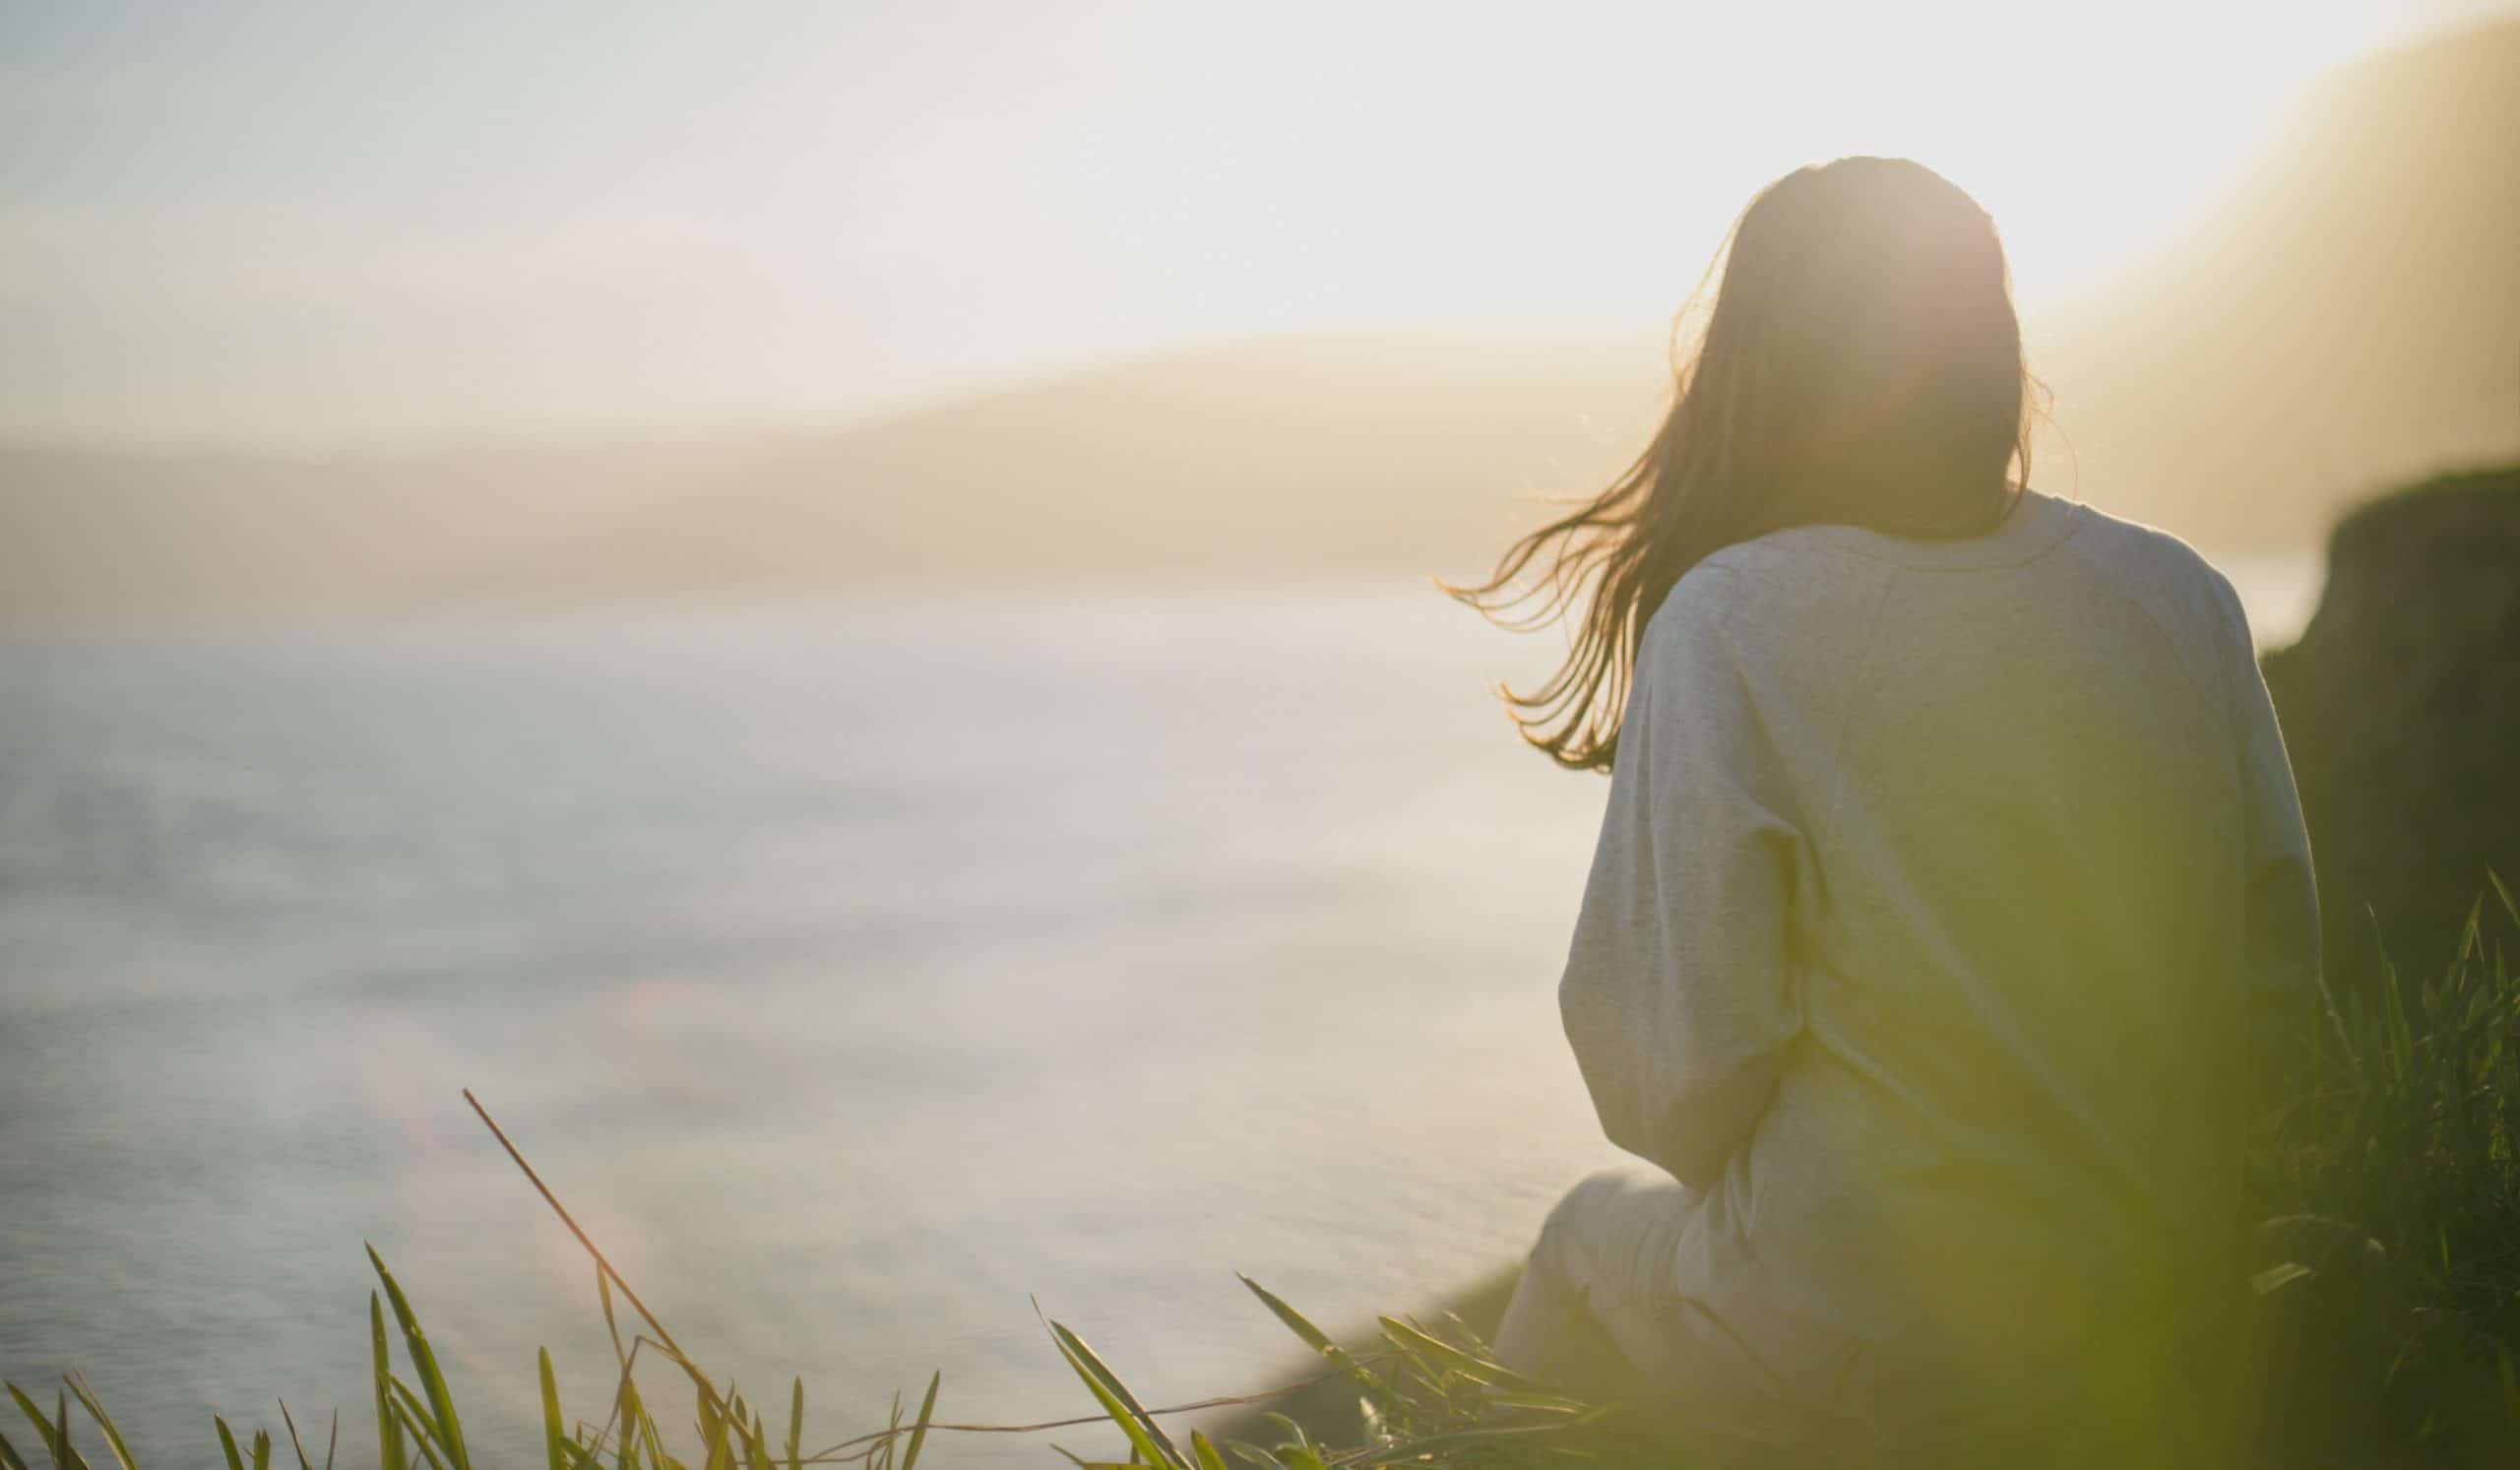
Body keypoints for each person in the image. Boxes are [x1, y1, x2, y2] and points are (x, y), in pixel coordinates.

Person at [1450, 158, 2321, 1466]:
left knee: (1584, 1239)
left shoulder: (1734, 621)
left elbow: (1674, 1091)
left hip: (1870, 1346)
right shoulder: (2179, 596)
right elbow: (2277, 1000)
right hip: (2159, 1312)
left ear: (1761, 368)